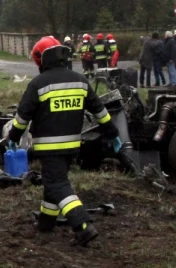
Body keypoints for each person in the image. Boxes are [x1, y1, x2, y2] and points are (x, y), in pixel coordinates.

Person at [7, 36, 121, 247]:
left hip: (49, 147)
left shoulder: (38, 84)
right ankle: (46, 223)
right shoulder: (80, 80)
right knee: (54, 181)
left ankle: (83, 225)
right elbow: (100, 112)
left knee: (57, 183)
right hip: (72, 146)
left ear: (42, 59)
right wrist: (113, 134)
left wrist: (13, 138)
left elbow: (22, 117)